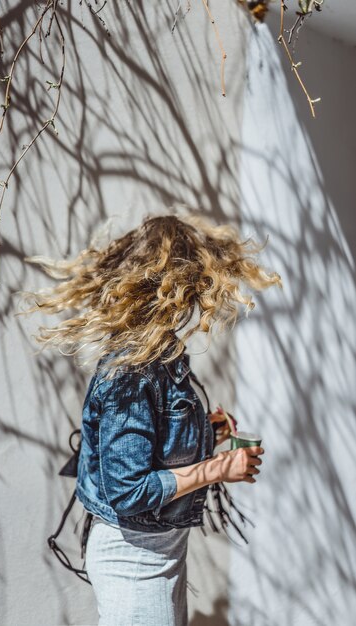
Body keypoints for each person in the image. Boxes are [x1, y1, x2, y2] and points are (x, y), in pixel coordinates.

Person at [22, 212, 281, 626]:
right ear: (178, 287)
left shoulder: (161, 353)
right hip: (134, 560)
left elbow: (153, 443)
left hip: (161, 550)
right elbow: (128, 491)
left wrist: (203, 434)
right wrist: (217, 468)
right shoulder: (131, 372)